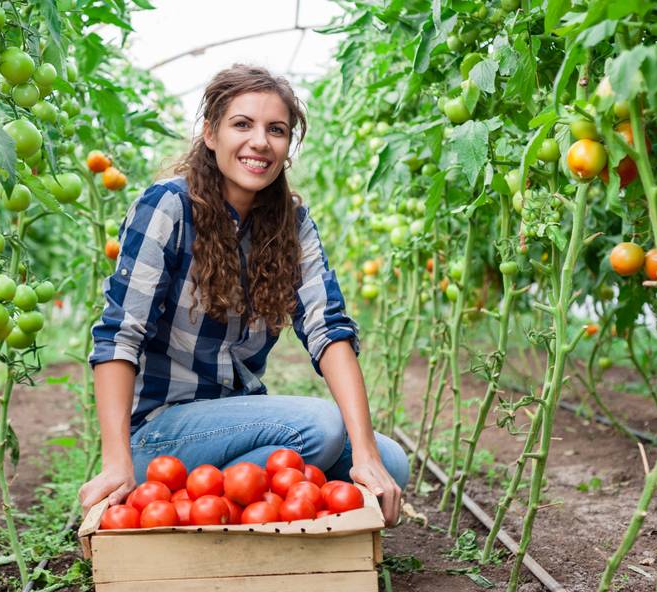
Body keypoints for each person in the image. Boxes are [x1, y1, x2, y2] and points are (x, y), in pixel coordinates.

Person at [77, 64, 409, 527]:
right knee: (323, 429)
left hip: (232, 421)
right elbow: (118, 336)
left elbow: (327, 327)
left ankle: (213, 499)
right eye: (242, 124)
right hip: (161, 431)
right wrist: (115, 461)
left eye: (277, 130)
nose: (260, 142)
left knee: (390, 463)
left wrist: (367, 456)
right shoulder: (168, 207)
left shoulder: (290, 223)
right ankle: (170, 487)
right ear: (210, 134)